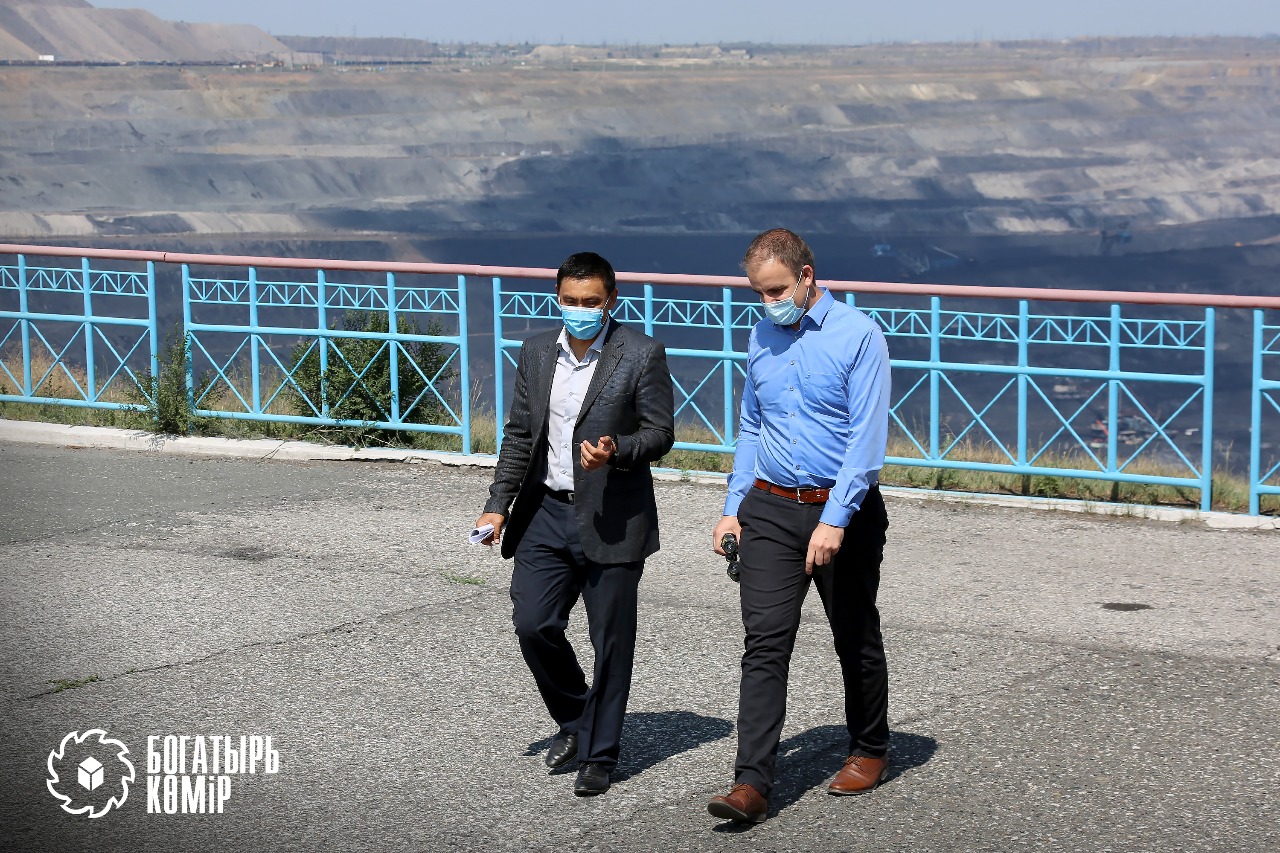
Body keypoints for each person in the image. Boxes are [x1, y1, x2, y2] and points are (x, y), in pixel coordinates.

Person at [706, 229, 893, 824]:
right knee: (764, 644)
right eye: (760, 293)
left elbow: (865, 441)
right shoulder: (761, 333)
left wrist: (835, 520)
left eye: (779, 290)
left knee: (853, 635)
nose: (769, 303)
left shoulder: (859, 335)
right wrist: (733, 506)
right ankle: (751, 784)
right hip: (769, 507)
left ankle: (869, 747)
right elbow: (752, 427)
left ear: (808, 275)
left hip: (844, 508)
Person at [474, 251, 675, 797]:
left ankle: (601, 754)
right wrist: (498, 504)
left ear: (610, 301)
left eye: (591, 302)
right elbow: (520, 435)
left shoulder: (640, 354)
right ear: (557, 297)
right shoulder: (538, 351)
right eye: (570, 301)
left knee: (611, 641)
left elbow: (661, 432)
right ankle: (577, 720)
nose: (580, 310)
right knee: (533, 625)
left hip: (612, 515)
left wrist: (619, 450)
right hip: (544, 512)